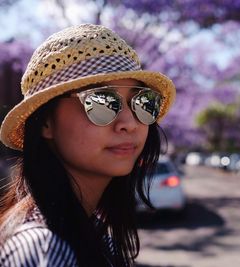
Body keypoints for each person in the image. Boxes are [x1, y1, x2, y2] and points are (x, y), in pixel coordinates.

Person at [0, 24, 175, 266]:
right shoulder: (44, 250)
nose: (129, 123)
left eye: (142, 102)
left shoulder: (94, 233)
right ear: (46, 122)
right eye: (102, 101)